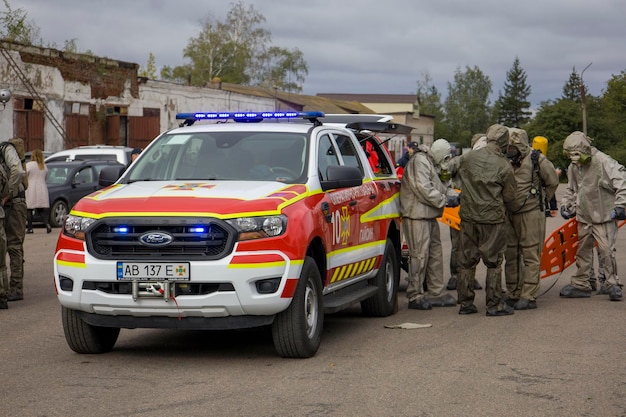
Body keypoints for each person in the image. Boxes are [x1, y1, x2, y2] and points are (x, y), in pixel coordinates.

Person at [454, 124, 520, 316]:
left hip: (468, 217)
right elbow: (509, 196)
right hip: (492, 220)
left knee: (466, 261)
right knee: (493, 262)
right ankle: (494, 305)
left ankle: (465, 304)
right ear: (504, 143)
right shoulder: (504, 166)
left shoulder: (467, 158)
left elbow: (448, 170)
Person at [559, 131, 626, 301]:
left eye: (577, 155)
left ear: (585, 150)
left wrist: (620, 205)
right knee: (582, 251)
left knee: (606, 251)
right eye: (570, 156)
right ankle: (582, 284)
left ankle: (611, 284)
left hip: (604, 215)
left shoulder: (603, 161)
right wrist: (566, 205)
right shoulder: (575, 167)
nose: (574, 159)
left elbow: (622, 182)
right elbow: (572, 190)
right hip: (584, 216)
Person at [503, 129, 559, 310]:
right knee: (510, 254)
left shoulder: (537, 160)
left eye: (513, 147)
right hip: (509, 213)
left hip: (531, 214)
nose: (510, 151)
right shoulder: (506, 160)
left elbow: (552, 182)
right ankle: (513, 292)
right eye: (507, 147)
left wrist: (541, 201)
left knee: (530, 254)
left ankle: (529, 295)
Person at [400, 138, 459, 310]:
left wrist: (452, 194)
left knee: (435, 254)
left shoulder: (433, 163)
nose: (447, 161)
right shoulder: (420, 162)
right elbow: (423, 189)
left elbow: (443, 185)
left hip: (429, 215)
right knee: (419, 255)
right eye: (446, 157)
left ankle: (435, 292)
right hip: (416, 215)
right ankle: (414, 294)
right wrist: (446, 200)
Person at [446, 133, 486, 291]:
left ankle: (469, 276)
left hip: (476, 209)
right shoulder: (461, 160)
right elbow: (445, 171)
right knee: (457, 244)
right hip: (459, 207)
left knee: (472, 245)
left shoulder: (484, 163)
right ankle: (455, 275)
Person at [0, 139, 25, 309]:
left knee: (14, 245)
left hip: (14, 202)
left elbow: (18, 170)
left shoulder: (6, 149)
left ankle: (16, 288)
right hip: (8, 202)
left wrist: (8, 192)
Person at [25, 149, 51, 234]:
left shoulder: (29, 165)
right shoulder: (43, 166)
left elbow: (25, 175)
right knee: (40, 209)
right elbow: (46, 177)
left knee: (29, 208)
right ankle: (47, 224)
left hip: (31, 188)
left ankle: (30, 228)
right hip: (41, 188)